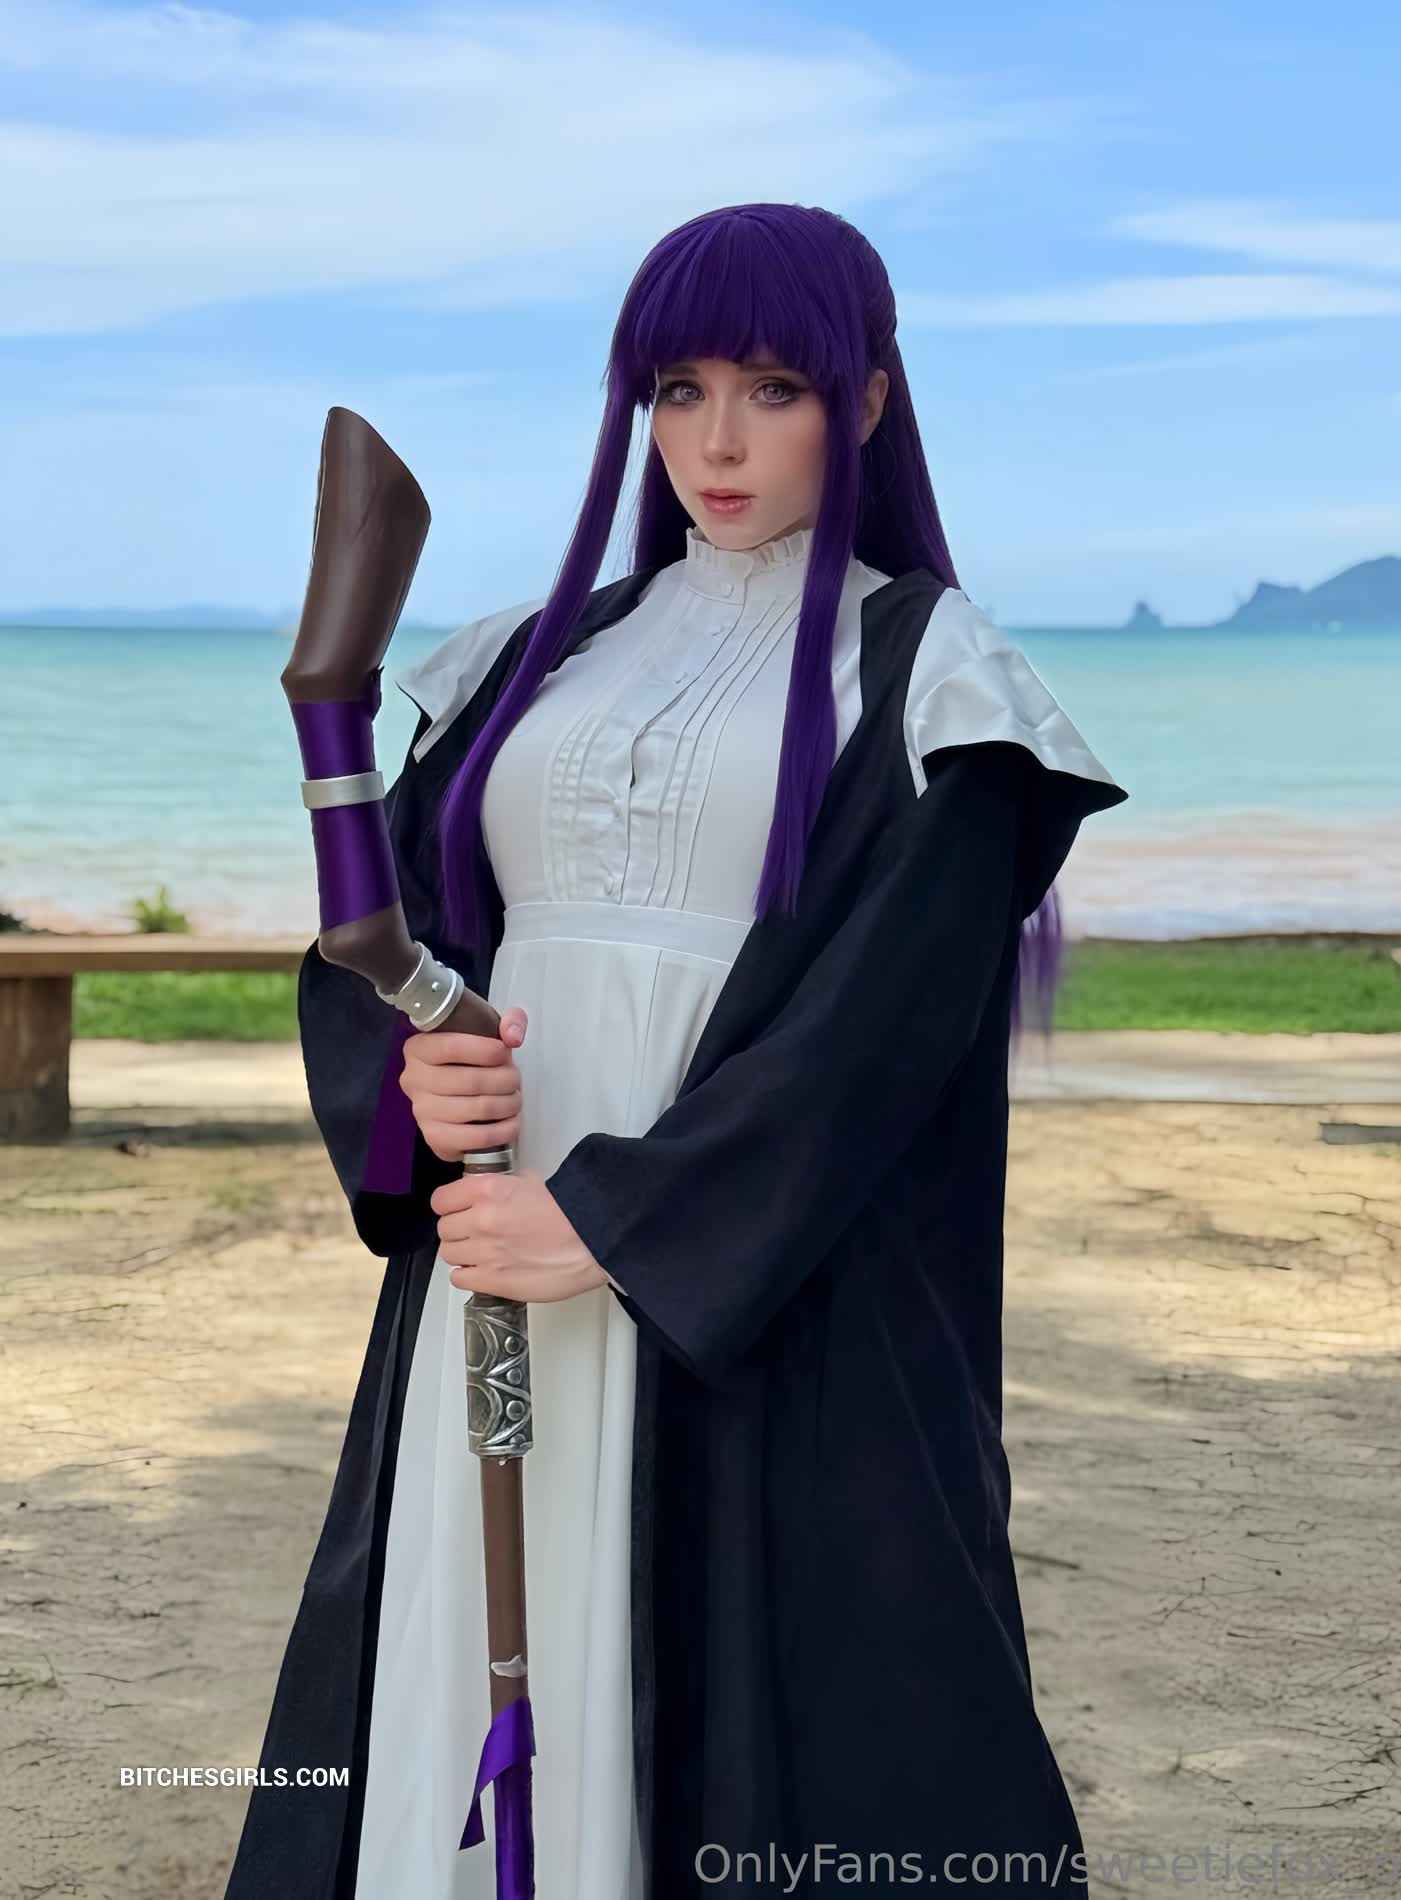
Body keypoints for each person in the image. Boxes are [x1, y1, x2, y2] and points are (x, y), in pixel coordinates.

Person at [224, 201, 1127, 1900]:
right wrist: (418, 1084)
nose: (716, 441)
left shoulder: (929, 675)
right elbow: (395, 943)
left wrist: (616, 1224)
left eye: (773, 390)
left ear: (865, 403)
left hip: (760, 1286)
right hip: (496, 1248)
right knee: (459, 1644)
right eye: (677, 389)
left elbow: (883, 1027)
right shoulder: (529, 655)